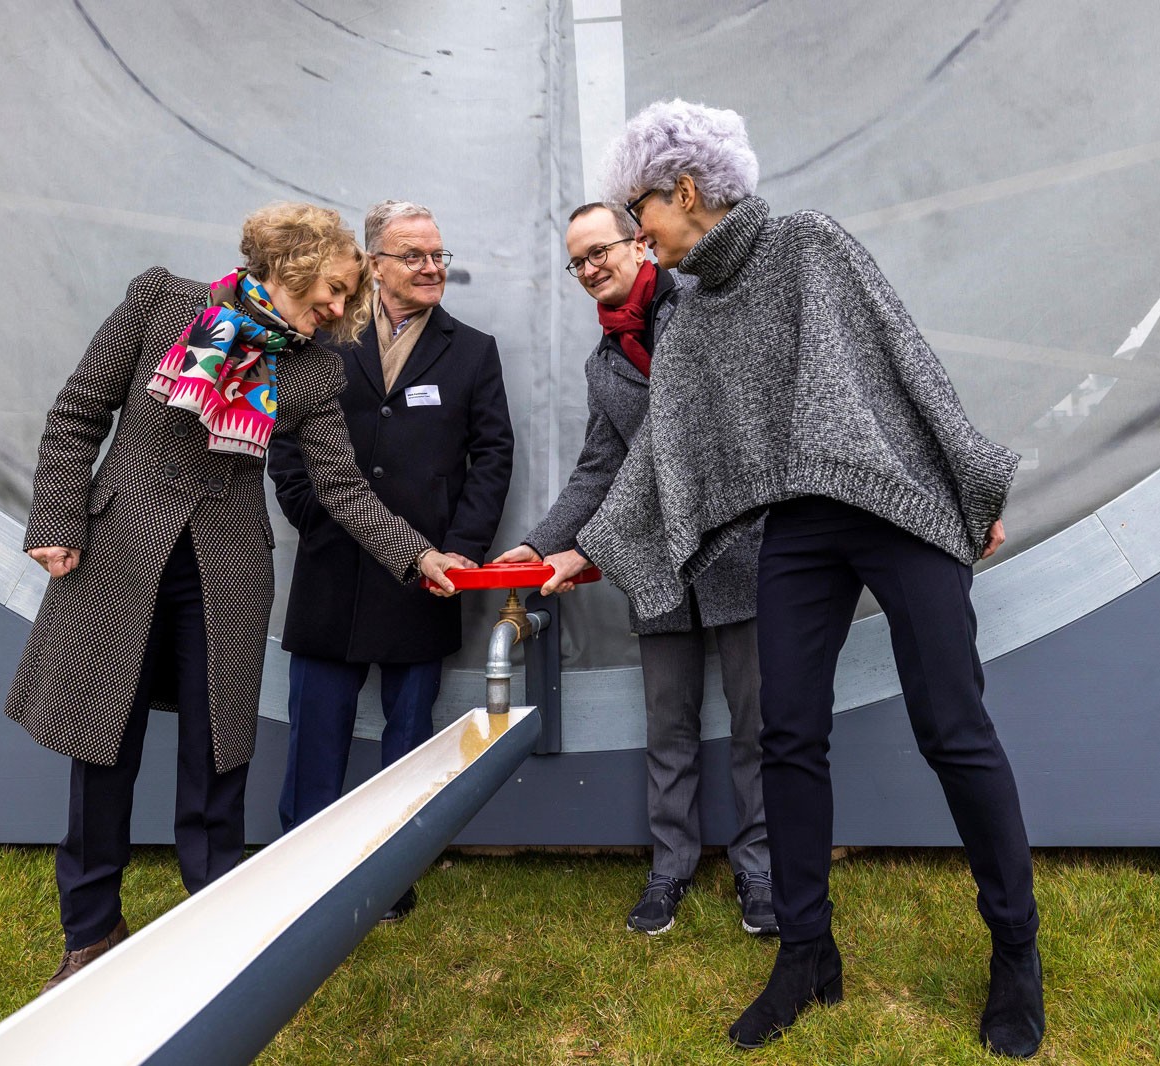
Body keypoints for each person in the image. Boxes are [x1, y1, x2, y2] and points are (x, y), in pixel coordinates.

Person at [575, 100, 1044, 1056]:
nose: (638, 232)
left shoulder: (808, 244)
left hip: (893, 504)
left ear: (688, 190)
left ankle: (1016, 953)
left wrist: (967, 480)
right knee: (786, 735)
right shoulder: (695, 310)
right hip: (798, 529)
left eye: (640, 211)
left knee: (952, 728)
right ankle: (805, 955)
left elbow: (906, 359)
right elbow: (664, 444)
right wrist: (588, 545)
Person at [5, 202, 465, 994]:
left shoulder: (313, 369)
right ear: (290, 260)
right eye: (329, 291)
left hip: (226, 569)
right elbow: (78, 412)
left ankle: (214, 919)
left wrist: (417, 553)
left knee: (216, 754)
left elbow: (342, 489)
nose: (335, 311)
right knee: (100, 743)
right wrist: (56, 515)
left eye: (345, 300)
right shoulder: (161, 301)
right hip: (117, 553)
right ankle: (90, 930)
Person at [495, 202, 773, 937]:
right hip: (656, 564)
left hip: (737, 549)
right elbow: (600, 469)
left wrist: (586, 547)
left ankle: (762, 872)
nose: (590, 269)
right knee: (669, 728)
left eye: (600, 252)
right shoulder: (604, 363)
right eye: (577, 261)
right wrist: (540, 541)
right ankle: (670, 868)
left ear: (641, 245)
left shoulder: (701, 306)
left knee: (758, 727)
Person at [267, 198, 513, 922]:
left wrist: (459, 553)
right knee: (317, 732)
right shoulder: (319, 341)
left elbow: (493, 457)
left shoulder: (472, 350)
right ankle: (305, 869)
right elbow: (285, 444)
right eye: (415, 255)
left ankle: (392, 873)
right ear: (374, 264)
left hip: (426, 580)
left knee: (409, 740)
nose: (433, 267)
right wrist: (314, 518)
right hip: (332, 570)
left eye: (438, 254)